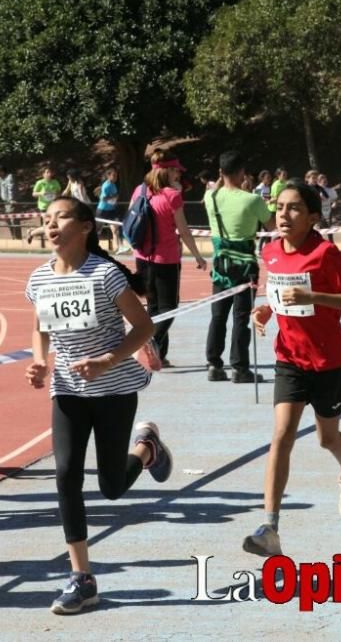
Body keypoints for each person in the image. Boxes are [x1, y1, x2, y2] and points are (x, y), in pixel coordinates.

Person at [25, 197, 173, 614]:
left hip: (114, 390)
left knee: (110, 486)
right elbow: (39, 328)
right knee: (66, 473)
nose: (51, 224)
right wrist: (39, 362)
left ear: (86, 227)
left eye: (62, 217)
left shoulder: (106, 276)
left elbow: (143, 326)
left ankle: (147, 450)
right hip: (69, 390)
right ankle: (82, 577)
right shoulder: (38, 279)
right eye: (47, 219)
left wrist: (109, 359)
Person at [245, 180, 341, 556]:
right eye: (280, 207)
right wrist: (265, 309)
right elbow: (277, 294)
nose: (284, 214)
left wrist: (314, 295)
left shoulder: (325, 253)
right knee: (281, 436)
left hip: (329, 361)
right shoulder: (270, 251)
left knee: (327, 439)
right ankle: (270, 528)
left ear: (313, 216)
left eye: (295, 208)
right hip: (289, 358)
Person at [204, 151, 274, 383]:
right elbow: (272, 224)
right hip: (245, 265)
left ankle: (214, 364)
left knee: (218, 316)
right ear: (241, 173)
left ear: (221, 172)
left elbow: (214, 191)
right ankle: (240, 368)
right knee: (241, 317)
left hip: (220, 264)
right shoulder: (252, 200)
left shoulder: (210, 198)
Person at [132, 156, 207, 367]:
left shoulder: (141, 191)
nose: (179, 175)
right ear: (167, 172)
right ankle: (153, 341)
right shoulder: (172, 196)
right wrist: (198, 256)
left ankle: (160, 355)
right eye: (176, 171)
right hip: (165, 259)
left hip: (142, 257)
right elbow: (183, 230)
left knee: (153, 305)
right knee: (170, 306)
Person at [96, 167, 122, 252]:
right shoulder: (106, 186)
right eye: (113, 176)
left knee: (115, 228)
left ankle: (118, 248)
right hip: (102, 210)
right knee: (98, 230)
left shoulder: (113, 185)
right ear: (108, 176)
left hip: (111, 210)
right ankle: (93, 247)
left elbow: (113, 198)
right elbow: (103, 199)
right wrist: (114, 197)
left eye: (116, 176)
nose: (115, 178)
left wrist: (114, 202)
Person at [0, 165, 20, 239]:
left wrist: (11, 200)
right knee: (8, 221)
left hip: (12, 202)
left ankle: (18, 239)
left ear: (2, 172)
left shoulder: (10, 177)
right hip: (5, 203)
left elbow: (11, 189)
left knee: (14, 220)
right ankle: (13, 237)